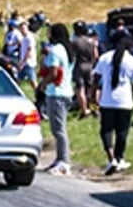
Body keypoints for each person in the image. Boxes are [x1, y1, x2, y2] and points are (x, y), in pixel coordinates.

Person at [93, 31, 133, 175]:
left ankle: (111, 157)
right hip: (125, 101)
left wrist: (93, 94)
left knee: (106, 130)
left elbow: (96, 78)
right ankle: (120, 158)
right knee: (122, 132)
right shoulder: (132, 61)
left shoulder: (104, 58)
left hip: (107, 100)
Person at [39, 23, 73, 176]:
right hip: (65, 91)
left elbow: (53, 72)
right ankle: (59, 158)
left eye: (50, 33)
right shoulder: (66, 50)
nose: (48, 36)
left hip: (56, 92)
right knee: (58, 128)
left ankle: (64, 161)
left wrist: (43, 84)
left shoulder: (56, 51)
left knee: (58, 129)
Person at [69, 23, 99, 118]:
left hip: (79, 65)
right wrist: (92, 64)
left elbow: (71, 56)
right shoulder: (91, 41)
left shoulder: (74, 42)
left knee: (80, 89)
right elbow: (96, 55)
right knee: (91, 88)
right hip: (89, 66)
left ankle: (84, 110)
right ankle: (94, 108)